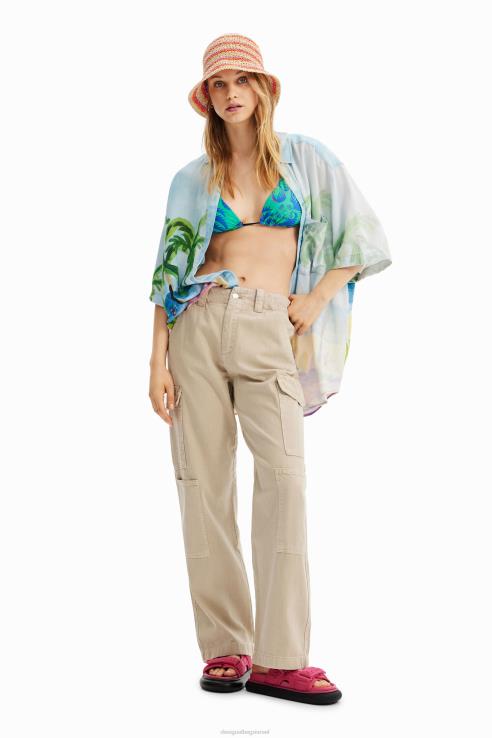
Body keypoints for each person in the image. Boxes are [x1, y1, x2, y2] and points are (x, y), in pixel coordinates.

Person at [148, 33, 391, 705]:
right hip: (197, 324)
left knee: (284, 479)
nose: (231, 93)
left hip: (268, 325)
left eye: (242, 80)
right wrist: (157, 360)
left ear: (264, 89)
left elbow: (363, 235)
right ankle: (226, 646)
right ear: (206, 98)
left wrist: (315, 300)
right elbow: (168, 274)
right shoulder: (191, 179)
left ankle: (282, 658)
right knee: (203, 485)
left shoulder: (306, 159)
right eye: (219, 84)